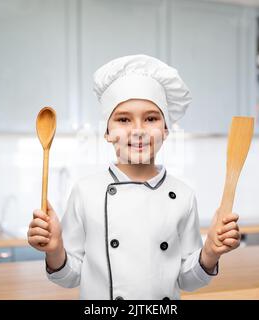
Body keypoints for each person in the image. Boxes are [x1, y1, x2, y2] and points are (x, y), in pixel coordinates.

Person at [28, 54, 241, 300]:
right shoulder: (85, 192)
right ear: (108, 133)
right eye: (123, 119)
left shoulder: (183, 196)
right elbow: (72, 277)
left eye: (151, 118)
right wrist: (55, 250)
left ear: (165, 130)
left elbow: (186, 280)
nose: (138, 130)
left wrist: (210, 253)